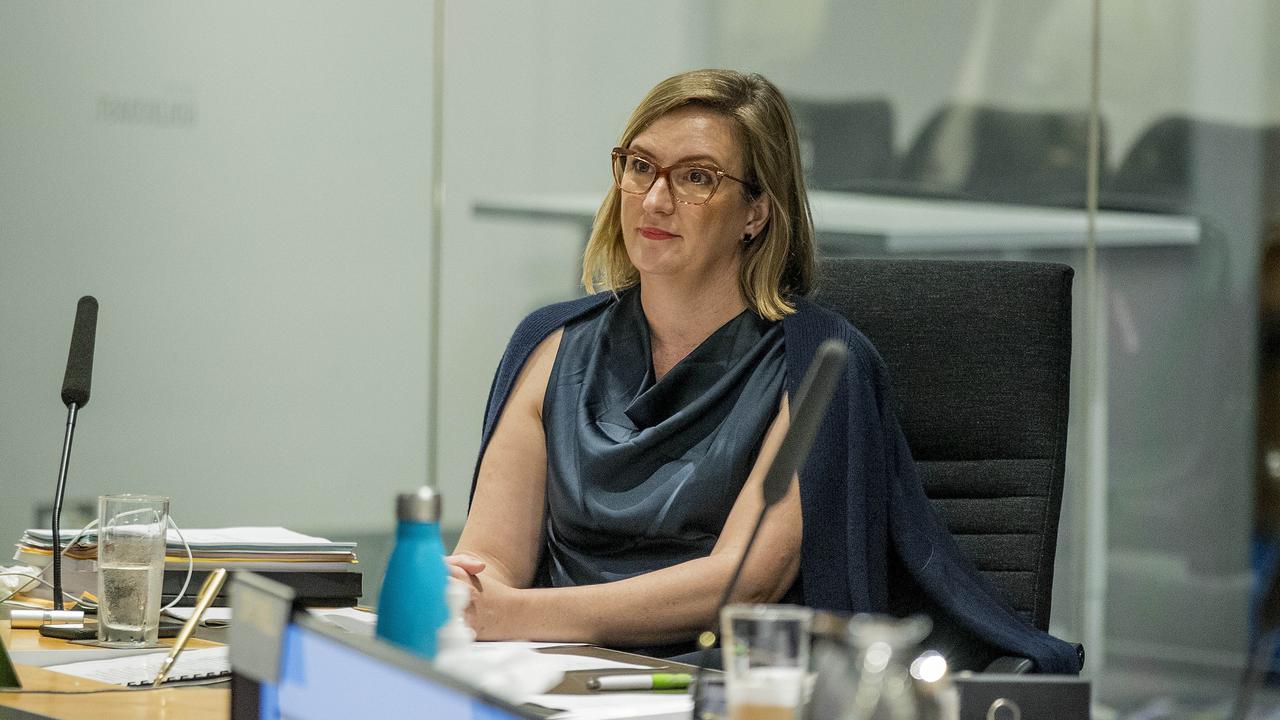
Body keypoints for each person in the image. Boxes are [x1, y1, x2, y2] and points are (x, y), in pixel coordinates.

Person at [448, 69, 1081, 672]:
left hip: (722, 678)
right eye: (640, 167)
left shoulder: (821, 364)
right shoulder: (552, 345)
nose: (656, 198)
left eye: (697, 178)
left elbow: (740, 580)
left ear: (757, 211)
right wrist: (466, 591)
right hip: (540, 667)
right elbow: (490, 559)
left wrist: (518, 613)